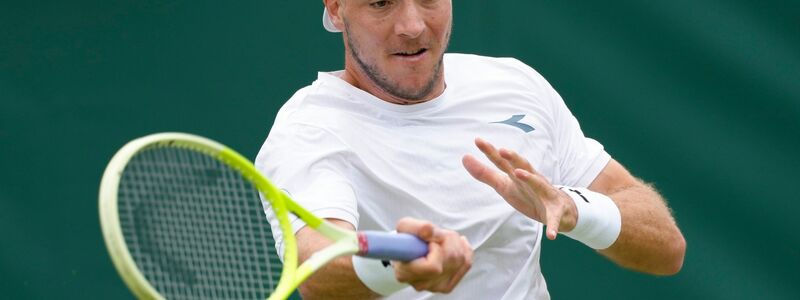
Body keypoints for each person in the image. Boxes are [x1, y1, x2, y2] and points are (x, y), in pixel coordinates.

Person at [255, 0, 686, 299]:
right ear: (336, 7)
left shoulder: (516, 85)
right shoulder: (308, 130)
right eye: (381, 3)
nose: (412, 25)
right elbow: (318, 267)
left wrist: (573, 209)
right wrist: (395, 267)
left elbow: (667, 247)